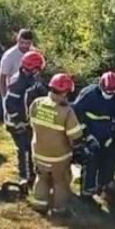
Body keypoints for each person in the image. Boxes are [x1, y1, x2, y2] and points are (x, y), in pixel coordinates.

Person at [28, 73, 86, 216]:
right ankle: (59, 210)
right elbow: (76, 136)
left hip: (38, 152)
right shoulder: (66, 111)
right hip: (58, 157)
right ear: (66, 92)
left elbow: (32, 123)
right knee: (61, 182)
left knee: (41, 177)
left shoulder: (37, 103)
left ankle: (40, 205)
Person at [72, 71, 115, 200]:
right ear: (101, 86)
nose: (109, 94)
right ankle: (87, 193)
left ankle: (104, 185)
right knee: (91, 159)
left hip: (106, 135)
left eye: (112, 92)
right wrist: (86, 135)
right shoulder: (89, 94)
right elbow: (75, 115)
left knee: (109, 157)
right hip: (88, 133)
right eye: (107, 91)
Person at [3, 51, 47, 183]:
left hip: (27, 120)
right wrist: (18, 122)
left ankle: (32, 174)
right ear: (33, 68)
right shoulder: (18, 83)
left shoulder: (31, 79)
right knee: (24, 149)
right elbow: (9, 104)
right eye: (38, 68)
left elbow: (39, 90)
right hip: (16, 122)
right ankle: (25, 179)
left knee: (31, 146)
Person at [0, 29, 35, 98]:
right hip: (14, 93)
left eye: (28, 43)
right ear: (17, 40)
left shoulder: (34, 53)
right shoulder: (9, 56)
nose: (24, 45)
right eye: (22, 42)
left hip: (30, 91)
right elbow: (2, 77)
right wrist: (4, 97)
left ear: (31, 42)